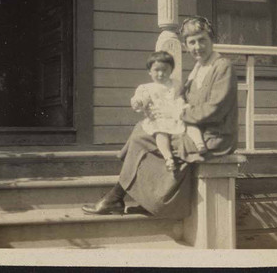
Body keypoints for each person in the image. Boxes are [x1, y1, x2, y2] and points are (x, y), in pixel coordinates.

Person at [82, 16, 238, 219]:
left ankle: (116, 196)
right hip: (195, 128)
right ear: (185, 45)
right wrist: (156, 106)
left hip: (213, 136)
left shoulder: (221, 66)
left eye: (202, 40)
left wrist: (177, 113)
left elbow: (216, 108)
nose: (197, 47)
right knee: (145, 128)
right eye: (191, 42)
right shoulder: (199, 68)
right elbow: (181, 98)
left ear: (211, 39)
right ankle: (131, 198)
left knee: (143, 137)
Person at [131, 51, 207, 172]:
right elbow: (141, 99)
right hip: (160, 117)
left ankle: (199, 143)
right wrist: (139, 102)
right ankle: (168, 157)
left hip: (176, 114)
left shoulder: (176, 84)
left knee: (190, 122)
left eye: (165, 70)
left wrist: (197, 67)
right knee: (161, 133)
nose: (161, 74)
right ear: (150, 71)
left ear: (171, 70)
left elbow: (188, 84)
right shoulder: (147, 88)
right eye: (157, 70)